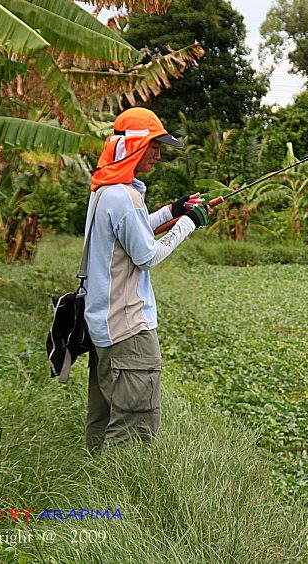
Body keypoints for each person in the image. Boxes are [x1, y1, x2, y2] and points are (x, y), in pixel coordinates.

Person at [82, 107, 210, 452]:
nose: (158, 154)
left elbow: (133, 232)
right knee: (134, 429)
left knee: (105, 420)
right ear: (135, 146)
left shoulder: (106, 191)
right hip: (129, 331)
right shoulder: (123, 197)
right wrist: (190, 223)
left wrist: (173, 211)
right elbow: (146, 255)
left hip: (105, 327)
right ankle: (118, 501)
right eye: (153, 146)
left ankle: (95, 487)